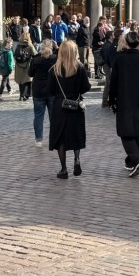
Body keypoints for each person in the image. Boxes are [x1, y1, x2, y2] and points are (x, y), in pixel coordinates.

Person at [107, 31, 139, 177]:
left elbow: (113, 82)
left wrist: (111, 99)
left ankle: (137, 159)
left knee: (124, 131)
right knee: (135, 129)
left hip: (124, 98)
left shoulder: (120, 59)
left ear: (127, 43)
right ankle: (131, 161)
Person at [49, 40, 91, 179]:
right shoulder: (79, 67)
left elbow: (50, 90)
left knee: (61, 137)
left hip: (60, 105)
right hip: (76, 104)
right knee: (76, 134)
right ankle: (77, 159)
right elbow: (86, 87)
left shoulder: (55, 69)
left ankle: (63, 169)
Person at [29, 39, 57, 147]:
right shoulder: (55, 59)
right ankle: (54, 138)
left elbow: (30, 73)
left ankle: (38, 139)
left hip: (38, 90)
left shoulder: (35, 60)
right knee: (53, 116)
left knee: (38, 116)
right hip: (51, 89)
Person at [14, 31, 36, 101]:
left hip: (18, 66)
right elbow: (35, 54)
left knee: (21, 81)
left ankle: (21, 95)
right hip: (27, 65)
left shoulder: (18, 45)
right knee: (26, 80)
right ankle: (25, 95)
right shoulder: (29, 45)